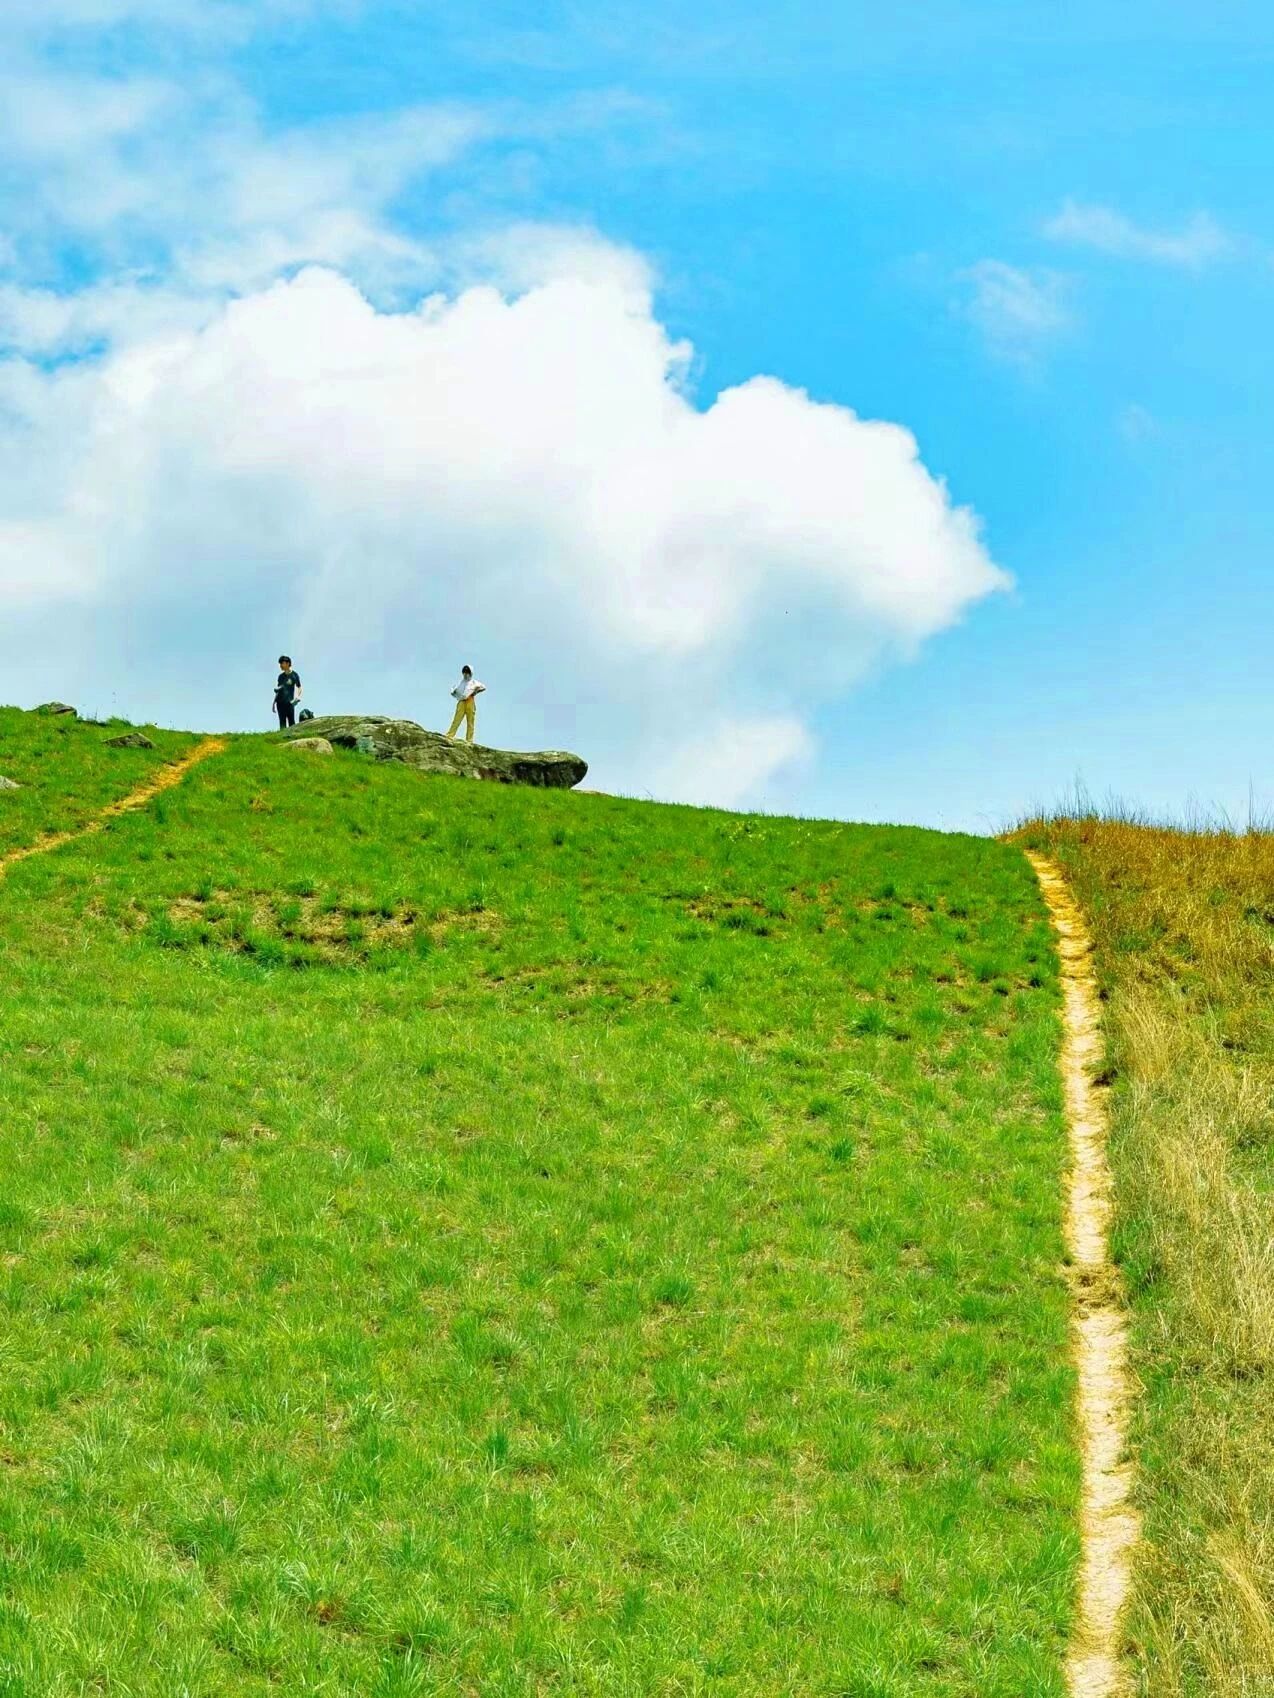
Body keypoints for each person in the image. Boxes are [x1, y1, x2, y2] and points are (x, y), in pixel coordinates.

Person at [446, 664, 485, 742]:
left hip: (470, 701)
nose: (466, 674)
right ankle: (450, 735)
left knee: (470, 721)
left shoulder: (474, 682)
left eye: (467, 672)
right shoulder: (460, 683)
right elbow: (453, 691)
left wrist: (475, 692)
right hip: (461, 702)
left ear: (470, 673)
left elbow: (483, 687)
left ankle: (469, 740)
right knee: (457, 719)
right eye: (464, 672)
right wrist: (454, 692)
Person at [273, 656, 302, 729]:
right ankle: (282, 739)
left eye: (282, 663)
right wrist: (273, 703)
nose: (280, 666)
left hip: (290, 703)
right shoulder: (280, 677)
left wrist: (297, 696)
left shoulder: (294, 675)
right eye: (280, 664)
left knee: (292, 723)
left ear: (288, 663)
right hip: (280, 703)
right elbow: (278, 690)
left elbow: (299, 687)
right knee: (282, 724)